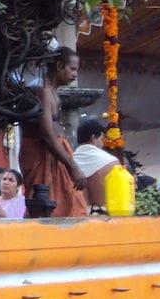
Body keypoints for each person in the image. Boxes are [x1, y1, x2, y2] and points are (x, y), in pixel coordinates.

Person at [19, 47, 88, 217]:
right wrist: (73, 167)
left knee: (71, 205)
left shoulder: (52, 91)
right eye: (72, 69)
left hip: (55, 160)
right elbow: (47, 134)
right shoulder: (41, 90)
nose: (75, 74)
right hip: (42, 158)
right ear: (59, 66)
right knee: (45, 208)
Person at [71, 118, 119, 214]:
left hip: (77, 222)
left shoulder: (68, 164)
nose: (102, 143)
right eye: (101, 139)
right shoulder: (111, 162)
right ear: (93, 138)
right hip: (106, 219)